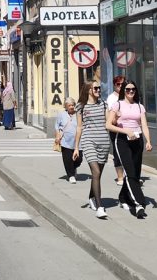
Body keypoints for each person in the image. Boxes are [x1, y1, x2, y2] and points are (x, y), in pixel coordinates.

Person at [107, 80, 152, 219]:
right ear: (123, 91)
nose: (130, 92)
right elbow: (108, 125)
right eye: (127, 90)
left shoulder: (140, 106)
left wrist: (148, 141)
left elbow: (144, 125)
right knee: (130, 171)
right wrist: (125, 130)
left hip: (137, 140)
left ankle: (122, 197)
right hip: (122, 140)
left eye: (133, 89)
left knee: (136, 173)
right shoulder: (117, 104)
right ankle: (139, 204)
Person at [75, 81, 110, 219]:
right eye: (95, 88)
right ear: (89, 90)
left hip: (104, 142)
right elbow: (79, 127)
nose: (98, 90)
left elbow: (108, 122)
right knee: (95, 171)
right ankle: (100, 207)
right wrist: (76, 147)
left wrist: (116, 117)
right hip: (89, 141)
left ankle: (91, 197)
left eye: (99, 88)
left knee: (98, 174)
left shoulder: (104, 104)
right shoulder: (81, 106)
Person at [106, 75, 127, 186]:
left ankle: (130, 176)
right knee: (118, 153)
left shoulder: (129, 96)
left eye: (122, 84)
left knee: (130, 153)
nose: (120, 86)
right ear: (114, 85)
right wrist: (116, 118)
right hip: (116, 130)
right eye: (118, 84)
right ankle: (120, 177)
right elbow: (110, 117)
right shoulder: (112, 98)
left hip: (128, 129)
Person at [55, 98, 81, 184]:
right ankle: (71, 175)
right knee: (67, 159)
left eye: (73, 105)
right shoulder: (61, 115)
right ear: (66, 106)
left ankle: (73, 168)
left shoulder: (78, 114)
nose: (71, 107)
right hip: (65, 141)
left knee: (79, 159)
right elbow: (57, 126)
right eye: (69, 105)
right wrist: (58, 136)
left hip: (78, 142)